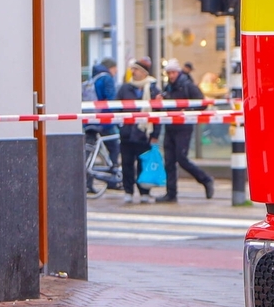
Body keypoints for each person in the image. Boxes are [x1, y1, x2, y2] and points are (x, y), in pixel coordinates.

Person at [156, 58, 214, 203]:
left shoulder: (187, 85)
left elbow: (202, 103)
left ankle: (205, 180)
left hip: (183, 127)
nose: (171, 76)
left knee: (181, 159)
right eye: (169, 73)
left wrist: (187, 111)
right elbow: (163, 107)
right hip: (170, 126)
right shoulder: (167, 88)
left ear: (178, 72)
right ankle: (171, 193)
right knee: (169, 161)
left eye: (173, 72)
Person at [117, 57, 161, 204]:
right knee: (127, 164)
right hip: (127, 134)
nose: (133, 72)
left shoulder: (153, 89)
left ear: (143, 72)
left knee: (144, 163)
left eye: (135, 69)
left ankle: (144, 191)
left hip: (144, 134)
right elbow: (116, 108)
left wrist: (155, 134)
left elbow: (158, 113)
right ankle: (128, 191)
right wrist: (121, 127)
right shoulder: (125, 88)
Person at [85, 57, 120, 193]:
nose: (116, 71)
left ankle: (87, 183)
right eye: (115, 69)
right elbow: (111, 100)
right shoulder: (107, 78)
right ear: (110, 67)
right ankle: (112, 178)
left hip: (90, 120)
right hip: (104, 121)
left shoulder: (93, 78)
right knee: (114, 146)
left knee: (88, 153)